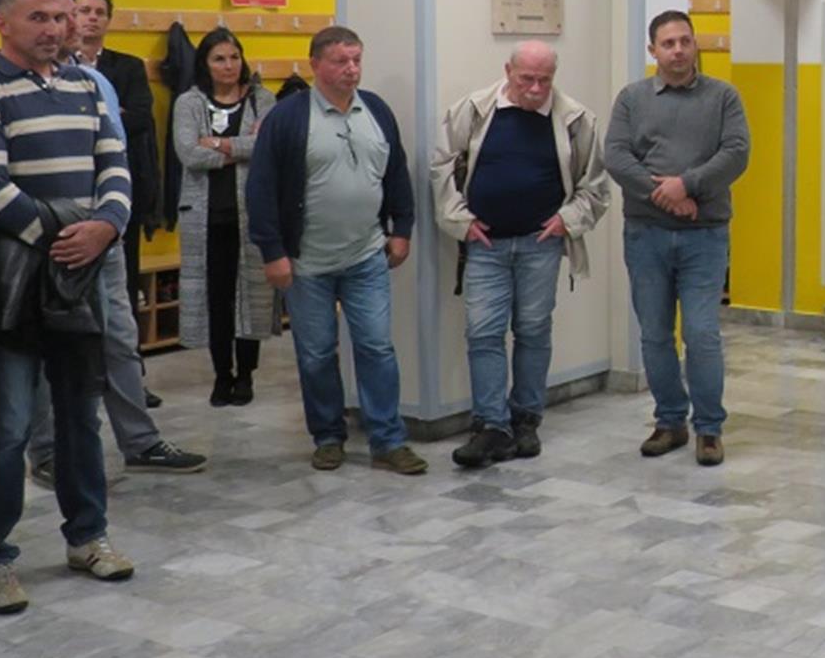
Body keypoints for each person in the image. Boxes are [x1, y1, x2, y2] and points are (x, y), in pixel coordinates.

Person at [0, 0, 138, 613]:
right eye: (39, 18)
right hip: (13, 283)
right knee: (7, 426)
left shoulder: (85, 86)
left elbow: (115, 166)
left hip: (79, 279)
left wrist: (106, 227)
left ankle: (88, 536)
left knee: (80, 417)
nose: (55, 29)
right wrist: (67, 236)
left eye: (60, 17)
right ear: (1, 22)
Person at [25, 9, 207, 481]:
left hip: (102, 238)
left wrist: (109, 222)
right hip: (48, 244)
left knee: (121, 342)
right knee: (48, 352)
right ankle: (46, 452)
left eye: (70, 17)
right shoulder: (5, 87)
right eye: (58, 17)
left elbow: (116, 159)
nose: (69, 26)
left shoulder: (94, 83)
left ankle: (141, 442)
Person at [245, 25, 426, 475]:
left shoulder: (376, 110)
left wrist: (402, 228)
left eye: (357, 60)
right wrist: (272, 252)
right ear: (315, 65)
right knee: (317, 354)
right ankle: (328, 436)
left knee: (376, 347)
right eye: (341, 61)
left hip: (366, 255)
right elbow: (261, 189)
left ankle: (388, 440)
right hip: (307, 262)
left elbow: (396, 173)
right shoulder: (288, 118)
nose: (351, 69)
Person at [433, 40, 610, 468]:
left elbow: (595, 187)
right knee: (483, 333)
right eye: (526, 79)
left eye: (544, 80)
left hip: (539, 244)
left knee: (533, 330)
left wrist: (566, 220)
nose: (535, 89)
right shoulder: (473, 111)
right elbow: (441, 168)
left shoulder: (575, 119)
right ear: (508, 71)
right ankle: (491, 427)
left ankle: (526, 419)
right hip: (486, 246)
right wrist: (460, 220)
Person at [603, 10, 750, 466]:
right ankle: (669, 421)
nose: (679, 50)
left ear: (695, 44)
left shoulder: (723, 97)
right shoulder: (632, 99)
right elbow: (616, 156)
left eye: (685, 41)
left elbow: (736, 153)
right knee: (654, 334)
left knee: (702, 333)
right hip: (645, 235)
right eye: (668, 43)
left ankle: (709, 428)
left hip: (705, 236)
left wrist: (687, 185)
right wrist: (666, 197)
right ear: (653, 50)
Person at [172, 28, 280, 407]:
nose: (229, 65)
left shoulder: (262, 99)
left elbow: (268, 146)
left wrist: (219, 144)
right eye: (219, 58)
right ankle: (222, 375)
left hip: (251, 214)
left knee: (252, 294)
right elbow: (189, 153)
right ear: (205, 63)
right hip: (205, 217)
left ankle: (246, 374)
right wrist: (241, 149)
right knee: (216, 298)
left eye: (234, 57)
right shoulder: (189, 103)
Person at [70, 0, 161, 333]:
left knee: (124, 280)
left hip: (121, 185)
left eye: (99, 12)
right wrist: (111, 113)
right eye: (84, 11)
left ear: (108, 20)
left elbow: (140, 118)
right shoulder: (58, 65)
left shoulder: (128, 66)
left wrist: (97, 119)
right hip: (76, 188)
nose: (92, 18)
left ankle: (128, 354)